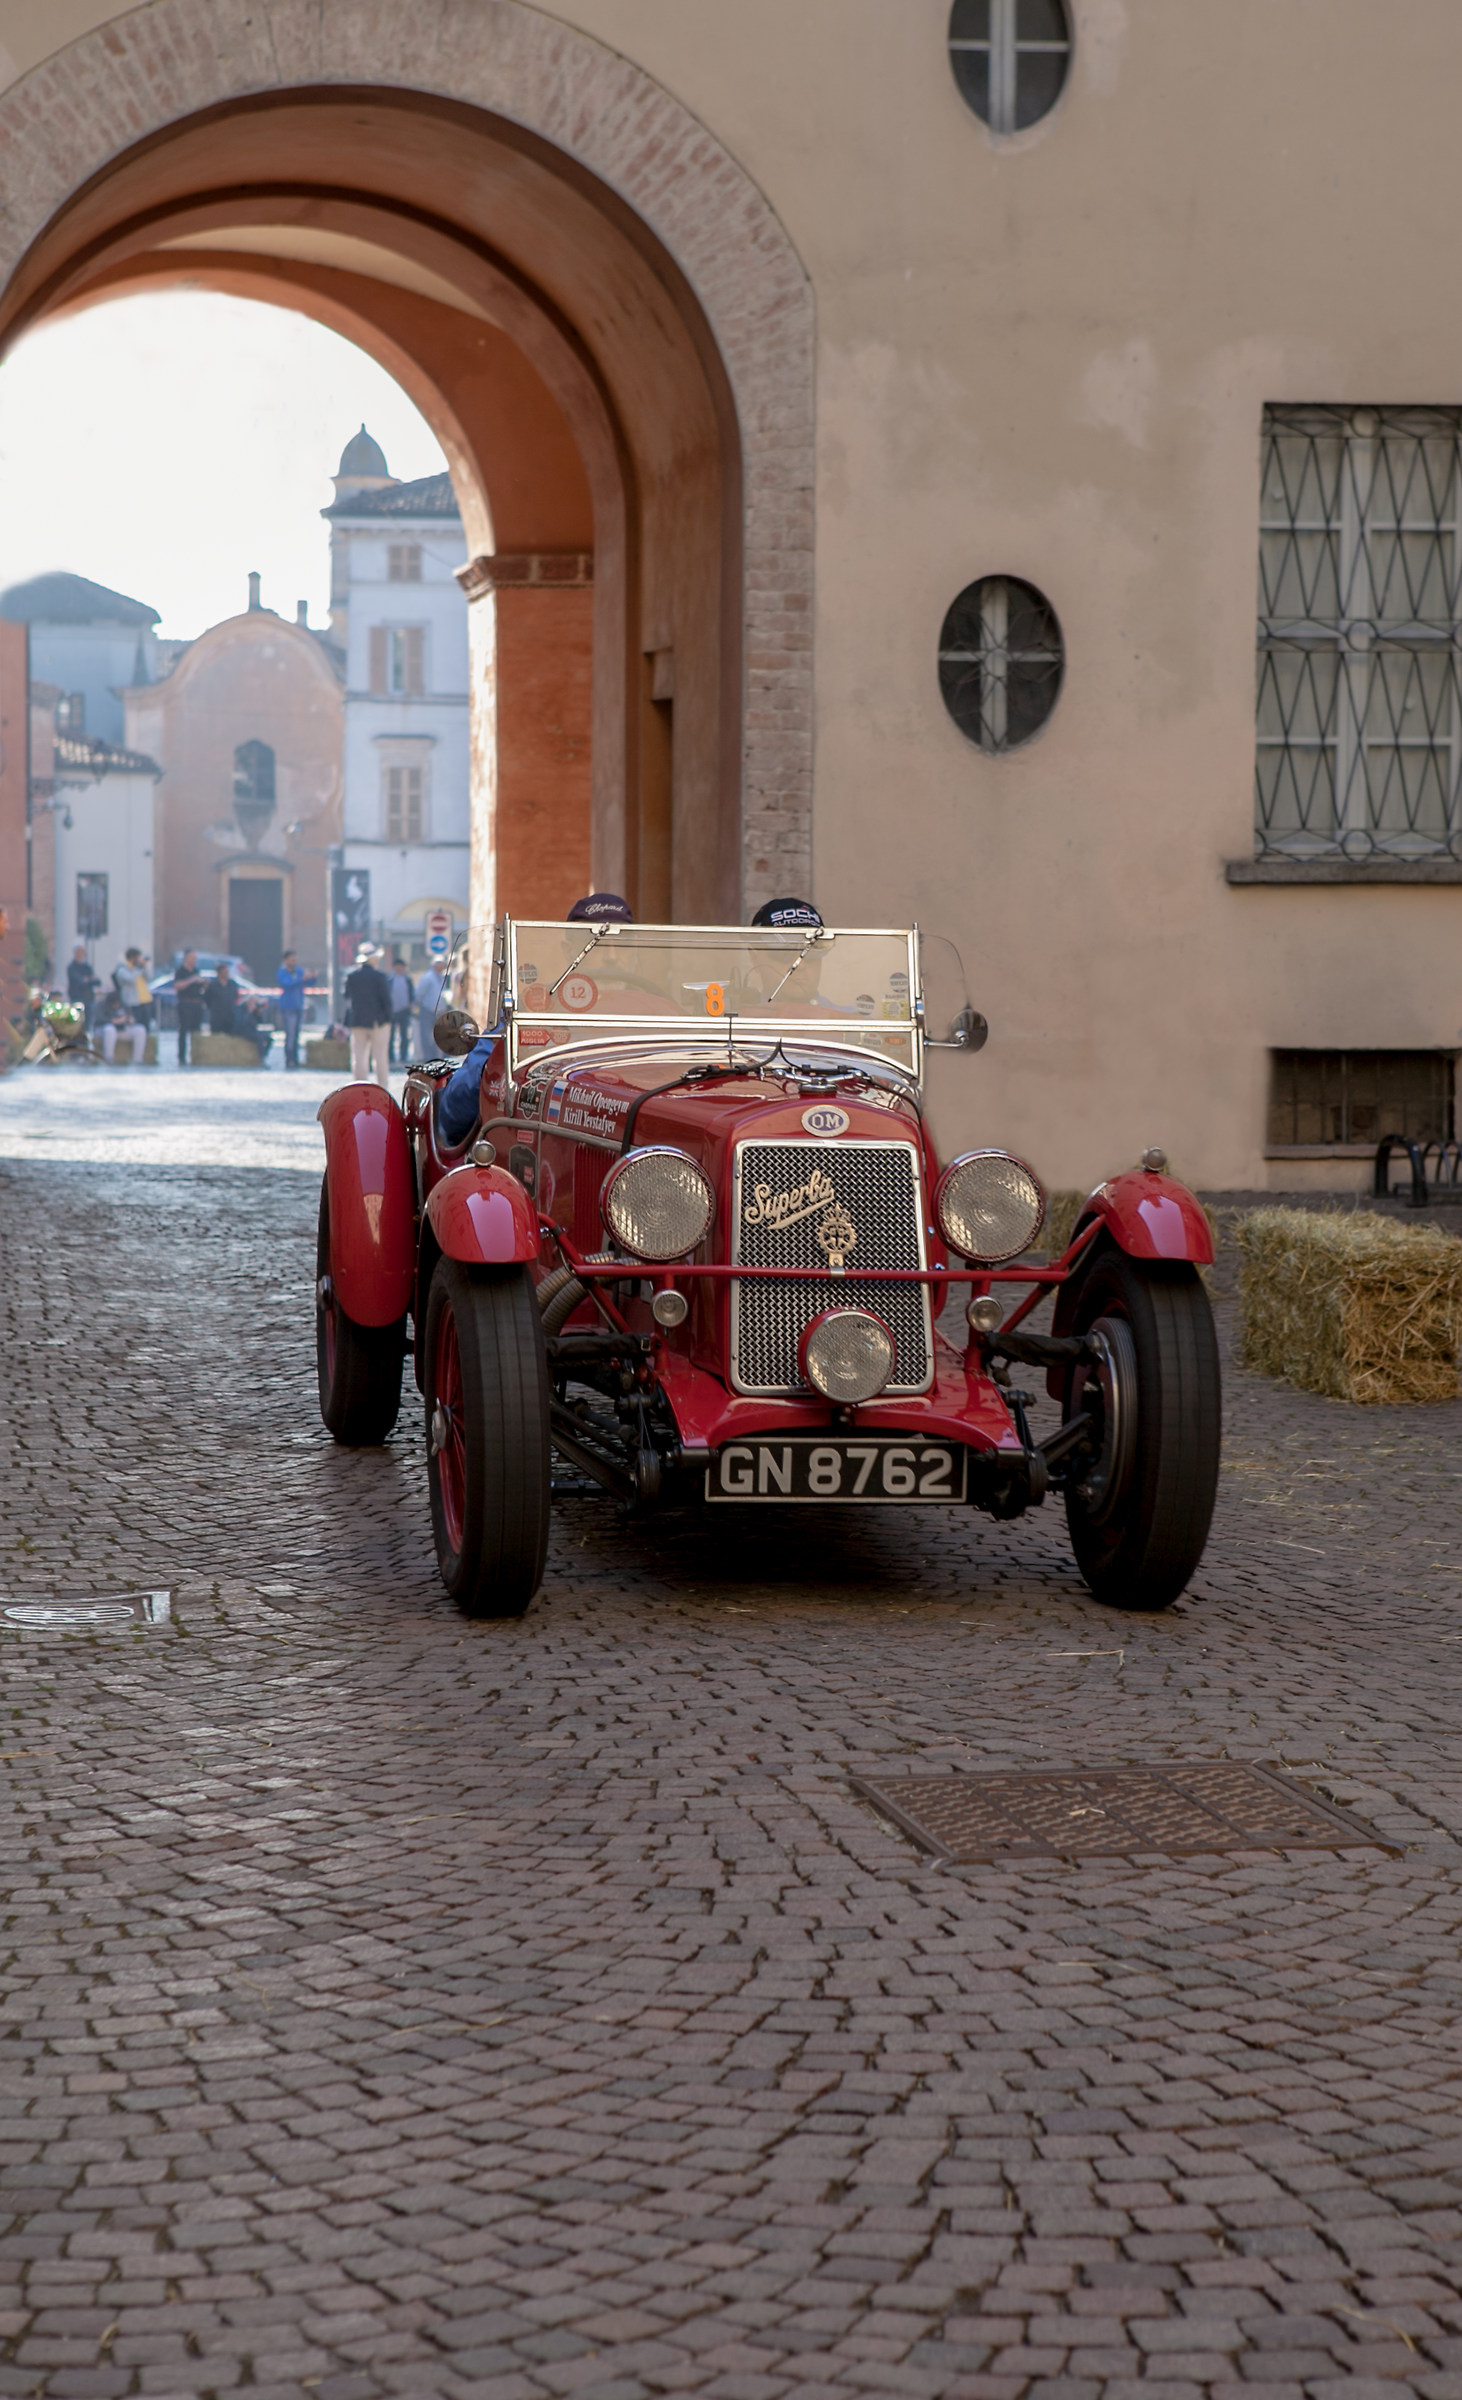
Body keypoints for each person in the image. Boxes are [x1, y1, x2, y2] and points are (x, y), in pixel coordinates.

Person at [345, 943, 394, 1085]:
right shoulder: (379, 976)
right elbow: (386, 999)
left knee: (358, 1056)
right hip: (378, 1021)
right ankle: (382, 1087)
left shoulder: (351, 976)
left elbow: (346, 995)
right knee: (380, 1056)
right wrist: (390, 1019)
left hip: (357, 1020)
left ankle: (359, 1086)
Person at [93, 987, 146, 1064]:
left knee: (140, 1029)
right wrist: (115, 1021)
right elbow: (99, 1019)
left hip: (122, 1030)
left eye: (118, 1004)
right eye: (114, 1004)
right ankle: (108, 1058)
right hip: (104, 1031)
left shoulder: (124, 1005)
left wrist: (130, 1020)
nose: (116, 1005)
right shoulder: (101, 1005)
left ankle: (137, 1059)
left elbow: (130, 1017)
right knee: (109, 1029)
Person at [174, 950, 207, 1066]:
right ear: (186, 958)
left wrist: (203, 984)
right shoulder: (180, 971)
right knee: (183, 1031)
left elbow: (201, 989)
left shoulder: (197, 971)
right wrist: (192, 980)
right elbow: (177, 986)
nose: (194, 960)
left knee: (196, 1031)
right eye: (192, 957)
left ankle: (196, 1055)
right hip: (185, 1003)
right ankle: (181, 1057)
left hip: (196, 1004)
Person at [277, 950, 307, 1070]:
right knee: (290, 1034)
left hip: (299, 1006)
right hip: (288, 1007)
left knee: (296, 1035)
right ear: (285, 960)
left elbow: (308, 982)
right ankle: (289, 1059)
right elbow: (287, 984)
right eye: (291, 959)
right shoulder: (282, 972)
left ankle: (295, 1059)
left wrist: (312, 977)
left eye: (295, 959)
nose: (294, 961)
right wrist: (302, 979)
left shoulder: (299, 970)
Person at [415, 961, 446, 1058]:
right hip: (428, 1010)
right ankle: (428, 1058)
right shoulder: (428, 977)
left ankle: (436, 1057)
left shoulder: (441, 977)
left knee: (439, 1035)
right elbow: (419, 993)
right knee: (426, 1036)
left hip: (439, 1011)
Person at [388, 953, 414, 1065]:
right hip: (392, 1011)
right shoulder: (389, 979)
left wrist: (410, 1003)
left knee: (404, 1035)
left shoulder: (407, 979)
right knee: (391, 1035)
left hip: (404, 1010)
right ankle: (391, 1057)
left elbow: (412, 993)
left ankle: (403, 1055)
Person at [66, 945, 99, 1028]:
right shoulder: (72, 967)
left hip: (88, 998)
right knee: (76, 1023)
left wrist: (86, 979)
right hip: (76, 998)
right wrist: (89, 979)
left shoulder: (87, 967)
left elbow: (97, 981)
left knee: (88, 1023)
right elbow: (80, 982)